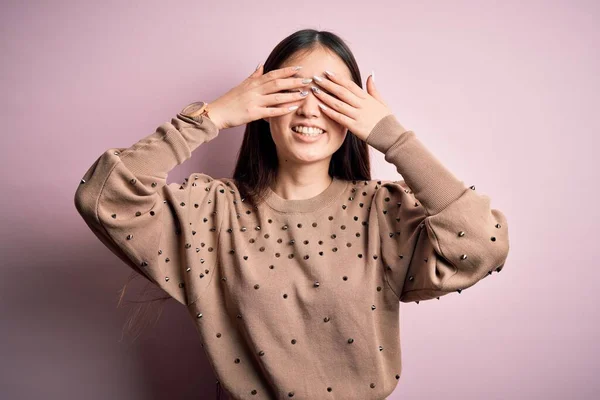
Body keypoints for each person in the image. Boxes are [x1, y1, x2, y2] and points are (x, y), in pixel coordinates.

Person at [74, 28, 510, 400]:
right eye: (294, 90)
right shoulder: (211, 209)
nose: (309, 108)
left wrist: (392, 137)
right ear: (261, 104)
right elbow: (103, 196)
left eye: (330, 93)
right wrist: (213, 116)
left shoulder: (384, 211)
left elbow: (482, 244)